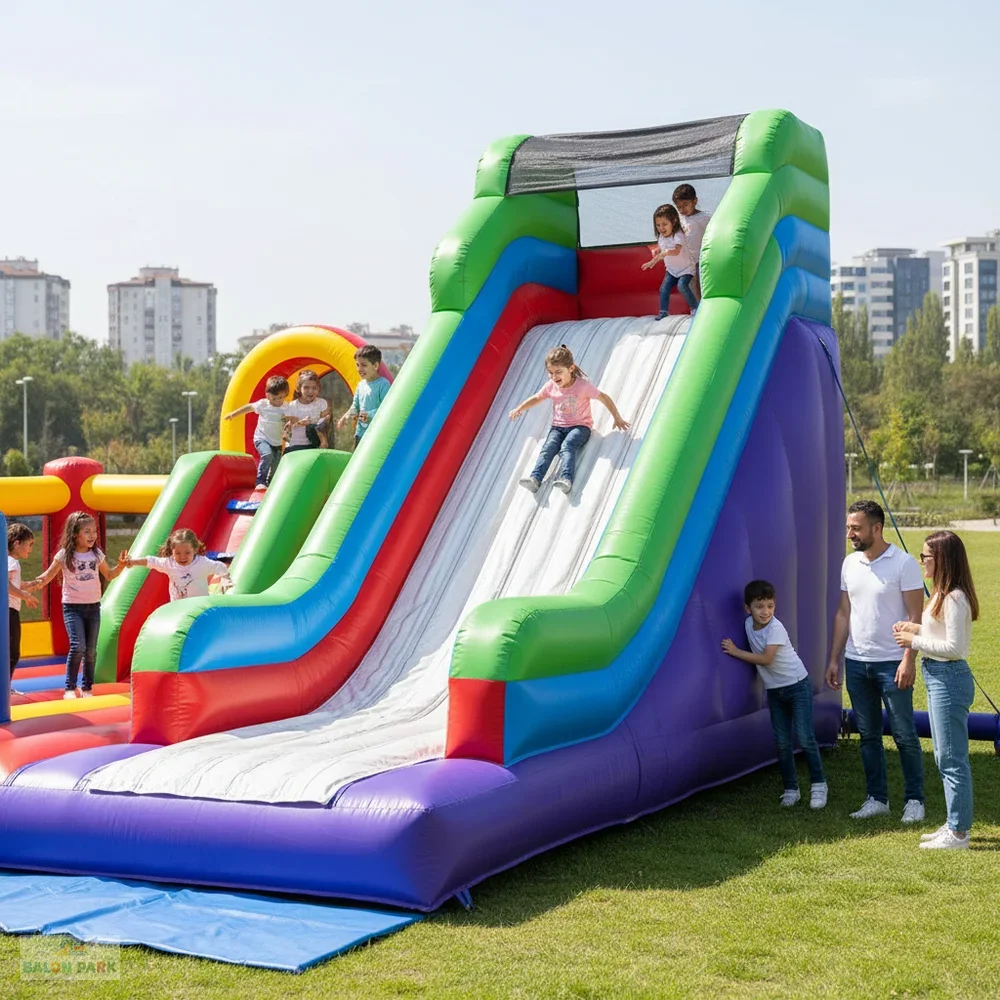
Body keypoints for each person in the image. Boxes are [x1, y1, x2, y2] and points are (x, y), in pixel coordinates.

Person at [825, 500, 925, 822]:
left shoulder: (904, 564)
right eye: (848, 528)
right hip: (856, 662)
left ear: (877, 528)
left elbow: (916, 618)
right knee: (868, 735)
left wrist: (908, 660)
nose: (849, 534)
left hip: (892, 663)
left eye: (856, 528)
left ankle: (915, 800)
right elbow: (843, 613)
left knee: (904, 734)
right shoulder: (849, 564)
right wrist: (834, 659)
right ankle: (876, 799)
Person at [893, 531, 979, 850]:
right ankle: (954, 823)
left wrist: (913, 640)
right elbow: (939, 633)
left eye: (926, 556)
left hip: (949, 678)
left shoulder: (954, 597)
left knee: (952, 759)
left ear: (942, 559)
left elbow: (954, 648)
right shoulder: (943, 595)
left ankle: (958, 833)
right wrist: (914, 628)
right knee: (944, 755)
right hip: (939, 676)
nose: (922, 561)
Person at [722, 580, 828, 809]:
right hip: (775, 690)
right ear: (748, 608)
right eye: (760, 606)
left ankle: (819, 785)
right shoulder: (748, 624)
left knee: (805, 737)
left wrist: (736, 652)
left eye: (770, 606)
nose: (766, 612)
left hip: (797, 685)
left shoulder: (776, 628)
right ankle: (791, 789)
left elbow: (766, 659)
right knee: (781, 742)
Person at [30, 511, 127, 699]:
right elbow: (47, 576)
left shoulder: (96, 554)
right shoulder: (65, 554)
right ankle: (70, 688)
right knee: (78, 646)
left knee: (90, 651)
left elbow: (109, 575)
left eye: (94, 531)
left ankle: (87, 688)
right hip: (73, 607)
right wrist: (31, 585)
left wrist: (121, 567)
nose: (92, 535)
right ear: (75, 534)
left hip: (93, 607)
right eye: (87, 531)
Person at [509, 344, 629, 495]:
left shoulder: (582, 386)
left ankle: (566, 479)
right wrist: (520, 408)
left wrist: (617, 417)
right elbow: (537, 398)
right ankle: (535, 478)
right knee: (548, 448)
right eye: (550, 373)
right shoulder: (551, 386)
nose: (554, 377)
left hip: (580, 427)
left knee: (567, 445)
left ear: (571, 368)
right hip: (557, 427)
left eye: (558, 372)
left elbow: (604, 397)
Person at [123, 528, 232, 601]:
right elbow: (150, 561)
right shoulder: (169, 563)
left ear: (195, 550)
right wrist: (133, 562)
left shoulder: (202, 563)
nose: (182, 557)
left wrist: (225, 579)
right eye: (178, 553)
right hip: (177, 606)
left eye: (187, 553)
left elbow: (220, 566)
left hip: (199, 605)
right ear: (172, 551)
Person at [224, 375, 292, 488]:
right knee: (267, 455)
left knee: (276, 463)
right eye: (274, 398)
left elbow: (289, 421)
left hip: (277, 441)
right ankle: (260, 481)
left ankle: (271, 482)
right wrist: (233, 414)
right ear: (268, 395)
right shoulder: (263, 404)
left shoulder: (286, 407)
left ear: (285, 394)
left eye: (281, 397)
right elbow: (249, 407)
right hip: (262, 438)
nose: (278, 401)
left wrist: (289, 428)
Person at [641, 203, 698, 319]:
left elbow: (676, 251)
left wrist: (665, 252)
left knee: (682, 286)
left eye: (664, 224)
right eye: (658, 225)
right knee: (664, 289)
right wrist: (651, 262)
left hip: (686, 269)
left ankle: (695, 308)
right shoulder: (661, 237)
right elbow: (662, 252)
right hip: (671, 270)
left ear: (674, 221)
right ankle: (663, 311)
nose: (661, 228)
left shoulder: (678, 235)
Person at [337, 347, 391, 447]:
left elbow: (387, 409)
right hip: (360, 434)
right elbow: (355, 406)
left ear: (375, 366)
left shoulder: (383, 384)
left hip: (376, 435)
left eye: (364, 365)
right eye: (357, 365)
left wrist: (369, 415)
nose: (359, 369)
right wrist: (346, 417)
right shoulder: (361, 385)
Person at [8, 523, 40, 690]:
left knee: (9, 652)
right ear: (16, 543)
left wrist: (28, 584)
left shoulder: (8, 561)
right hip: (9, 612)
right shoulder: (12, 562)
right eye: (29, 544)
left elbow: (12, 583)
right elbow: (5, 584)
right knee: (12, 653)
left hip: (9, 611)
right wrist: (25, 595)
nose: (30, 549)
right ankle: (4, 687)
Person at [673, 183, 712, 301]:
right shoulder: (680, 219)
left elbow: (713, 234)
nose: (682, 209)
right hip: (688, 262)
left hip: (701, 259)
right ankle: (696, 307)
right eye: (679, 207)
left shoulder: (703, 218)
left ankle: (702, 305)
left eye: (685, 205)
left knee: (701, 285)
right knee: (689, 287)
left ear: (694, 201)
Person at [285, 369, 331, 453]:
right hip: (296, 445)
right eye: (306, 387)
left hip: (314, 445)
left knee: (314, 426)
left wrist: (321, 422)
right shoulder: (292, 406)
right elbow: (286, 429)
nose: (310, 391)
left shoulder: (321, 403)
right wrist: (298, 423)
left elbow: (325, 423)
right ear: (299, 388)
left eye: (314, 388)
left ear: (318, 389)